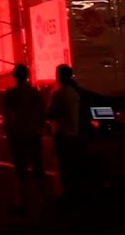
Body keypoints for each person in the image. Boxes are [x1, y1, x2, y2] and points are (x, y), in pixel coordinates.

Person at [3, 64, 47, 211]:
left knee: (20, 170)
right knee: (38, 167)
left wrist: (8, 133)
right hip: (34, 134)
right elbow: (42, 114)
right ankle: (42, 199)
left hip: (18, 136)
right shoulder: (35, 93)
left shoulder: (11, 94)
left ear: (15, 76)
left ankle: (21, 203)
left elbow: (10, 117)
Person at [47, 64, 82, 201]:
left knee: (61, 165)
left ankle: (63, 194)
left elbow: (50, 113)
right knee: (71, 165)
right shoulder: (74, 93)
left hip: (61, 133)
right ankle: (73, 193)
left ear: (60, 76)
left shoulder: (58, 94)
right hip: (73, 133)